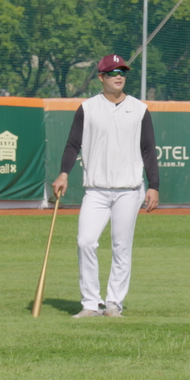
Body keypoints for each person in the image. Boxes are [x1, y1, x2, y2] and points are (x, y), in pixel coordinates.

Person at [52, 54, 159, 319]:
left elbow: (148, 150)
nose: (119, 76)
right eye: (112, 72)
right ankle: (90, 303)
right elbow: (72, 145)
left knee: (121, 246)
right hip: (96, 190)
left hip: (129, 189)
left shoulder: (139, 108)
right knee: (86, 241)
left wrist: (153, 185)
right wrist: (64, 173)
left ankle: (113, 304)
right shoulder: (87, 108)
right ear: (101, 77)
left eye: (122, 71)